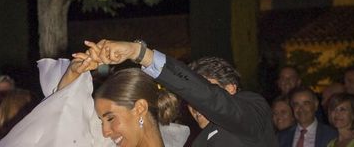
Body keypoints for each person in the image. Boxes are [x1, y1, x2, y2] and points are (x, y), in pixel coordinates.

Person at [80, 39, 278, 146]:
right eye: (190, 99)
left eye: (197, 93)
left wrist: (139, 53)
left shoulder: (253, 111)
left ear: (230, 89)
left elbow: (208, 96)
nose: (194, 106)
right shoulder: (195, 140)